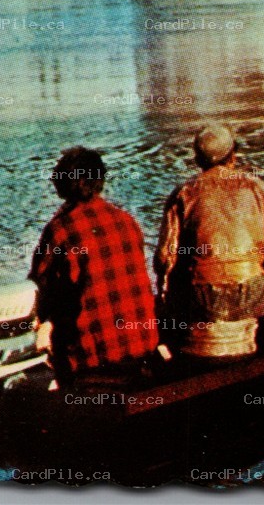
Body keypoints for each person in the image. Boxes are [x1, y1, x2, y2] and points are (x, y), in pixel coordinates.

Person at [155, 125, 264, 352]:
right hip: (252, 294)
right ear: (234, 156)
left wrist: (167, 293)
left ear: (197, 160)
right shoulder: (256, 187)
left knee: (168, 303)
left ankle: (170, 353)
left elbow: (164, 259)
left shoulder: (184, 192)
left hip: (202, 299)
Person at [28, 147, 161, 385]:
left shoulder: (60, 229)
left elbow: (42, 281)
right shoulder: (127, 221)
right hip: (142, 348)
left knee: (54, 312)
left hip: (93, 358)